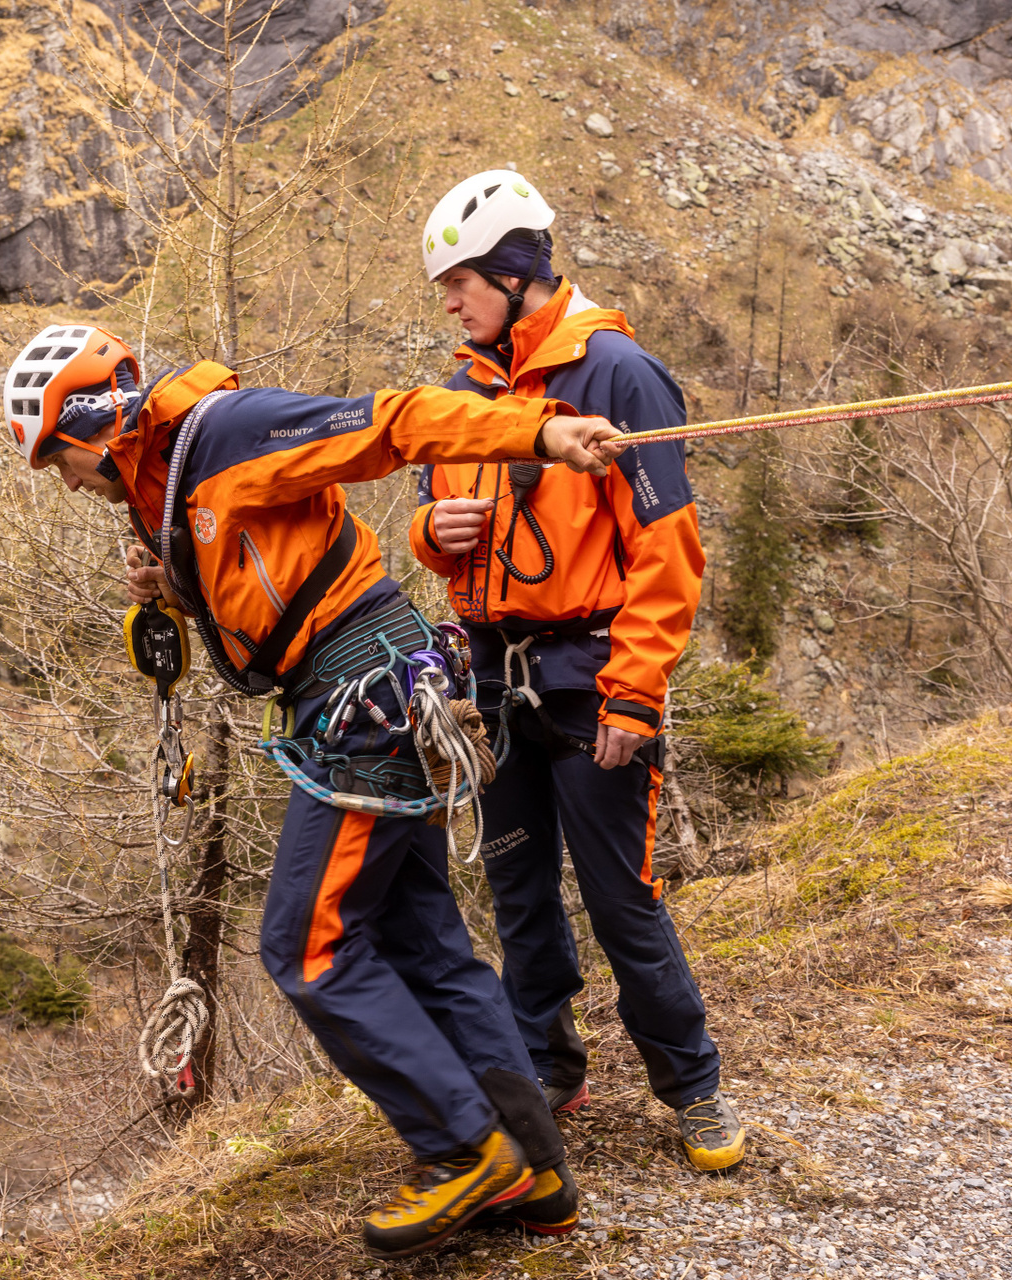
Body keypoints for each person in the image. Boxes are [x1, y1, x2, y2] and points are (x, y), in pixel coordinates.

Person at [0, 324, 624, 1256]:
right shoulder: (163, 479)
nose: (66, 481)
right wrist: (176, 584)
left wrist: (539, 433)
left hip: (362, 697)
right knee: (426, 945)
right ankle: (535, 1176)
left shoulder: (227, 433)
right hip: (366, 689)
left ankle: (464, 1151)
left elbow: (393, 424)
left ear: (96, 422)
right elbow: (262, 569)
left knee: (307, 946)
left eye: (59, 458)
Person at [409, 171, 744, 1172]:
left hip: (591, 678)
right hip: (494, 682)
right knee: (517, 890)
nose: (452, 304)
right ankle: (549, 1068)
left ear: (515, 273)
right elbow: (435, 522)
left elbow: (668, 549)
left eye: (462, 283)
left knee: (619, 897)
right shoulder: (462, 392)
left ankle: (694, 1086)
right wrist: (433, 533)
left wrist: (636, 691)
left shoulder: (617, 375)